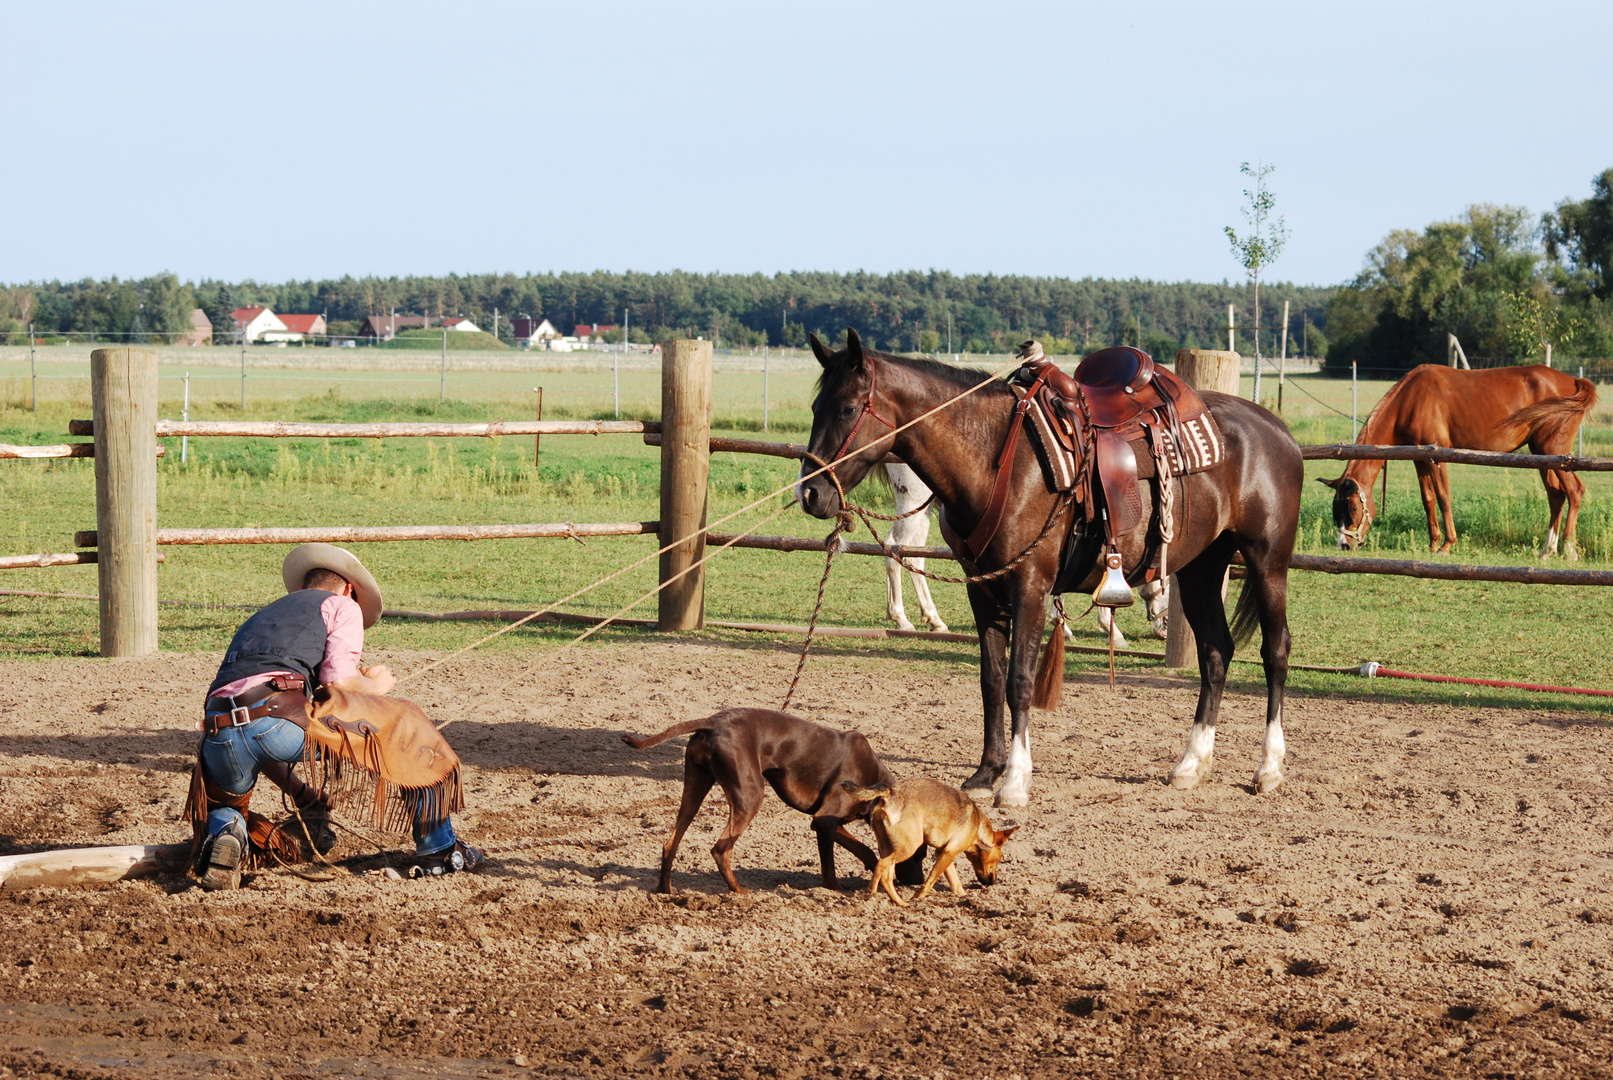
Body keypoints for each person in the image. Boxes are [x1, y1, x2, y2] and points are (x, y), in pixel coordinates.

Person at [187, 543, 482, 890]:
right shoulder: (342, 605)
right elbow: (338, 680)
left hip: (219, 733)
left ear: (302, 588)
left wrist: (300, 791)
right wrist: (375, 684)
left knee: (226, 804)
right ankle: (440, 849)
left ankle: (227, 831)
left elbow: (252, 736)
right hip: (279, 721)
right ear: (348, 589)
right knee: (406, 724)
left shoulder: (261, 616)